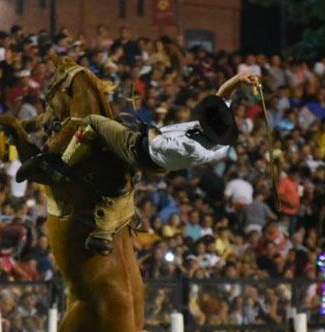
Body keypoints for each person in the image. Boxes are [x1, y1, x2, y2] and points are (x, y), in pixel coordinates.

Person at [17, 71, 260, 253]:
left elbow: (153, 142)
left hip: (143, 151)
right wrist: (239, 79)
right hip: (160, 156)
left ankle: (61, 167)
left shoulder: (193, 148)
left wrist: (149, 127)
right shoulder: (219, 140)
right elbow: (222, 97)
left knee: (93, 120)